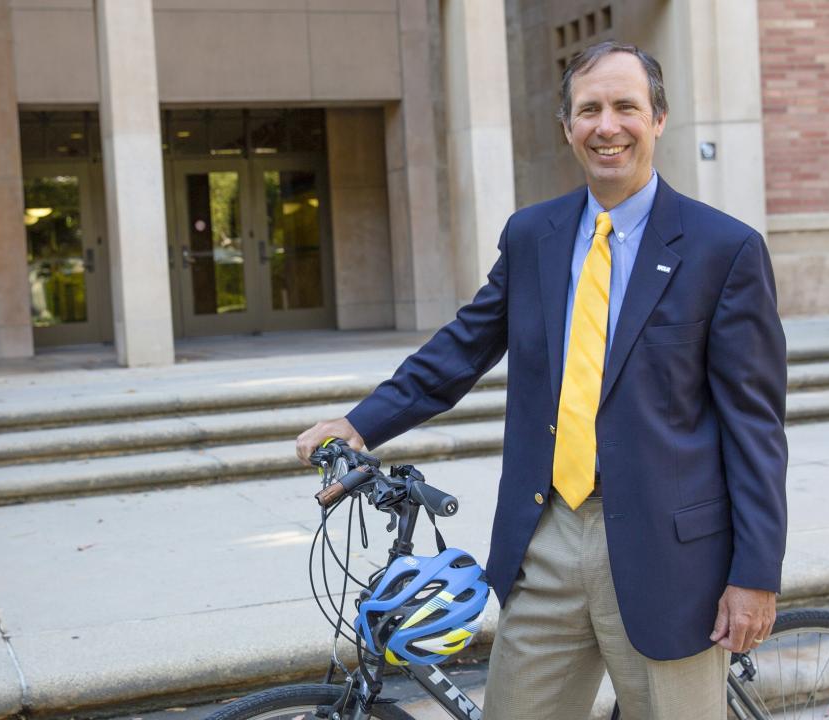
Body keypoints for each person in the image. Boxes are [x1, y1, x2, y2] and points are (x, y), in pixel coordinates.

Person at [296, 40, 787, 719]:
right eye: (589, 110)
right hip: (546, 537)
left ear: (659, 120)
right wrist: (359, 423)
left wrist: (755, 575)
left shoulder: (722, 249)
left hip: (669, 557)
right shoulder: (534, 236)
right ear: (567, 126)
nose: (606, 126)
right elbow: (462, 347)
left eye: (625, 107)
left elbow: (755, 428)